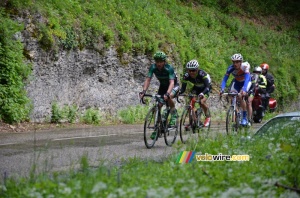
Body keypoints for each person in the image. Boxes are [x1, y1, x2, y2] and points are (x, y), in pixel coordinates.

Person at [139, 51, 180, 139]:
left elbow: (172, 82)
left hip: (173, 86)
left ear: (164, 62)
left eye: (161, 61)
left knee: (168, 98)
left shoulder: (169, 68)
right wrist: (143, 91)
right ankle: (157, 129)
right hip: (163, 86)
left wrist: (168, 93)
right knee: (159, 105)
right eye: (157, 61)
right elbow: (148, 79)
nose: (159, 63)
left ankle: (174, 113)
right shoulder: (153, 67)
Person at [220, 53, 251, 126]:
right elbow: (225, 79)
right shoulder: (230, 68)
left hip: (246, 83)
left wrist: (244, 89)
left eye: (237, 62)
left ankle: (244, 118)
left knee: (240, 96)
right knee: (231, 95)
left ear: (241, 62)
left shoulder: (245, 66)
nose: (235, 64)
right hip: (237, 82)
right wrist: (222, 89)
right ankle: (236, 113)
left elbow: (247, 79)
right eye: (234, 62)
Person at [179, 60, 211, 127]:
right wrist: (178, 93)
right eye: (189, 70)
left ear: (197, 70)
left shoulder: (202, 74)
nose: (191, 72)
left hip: (205, 88)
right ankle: (192, 122)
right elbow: (183, 89)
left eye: (193, 70)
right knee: (191, 103)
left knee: (201, 102)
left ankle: (208, 117)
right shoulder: (186, 76)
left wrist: (202, 93)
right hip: (196, 88)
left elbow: (208, 86)